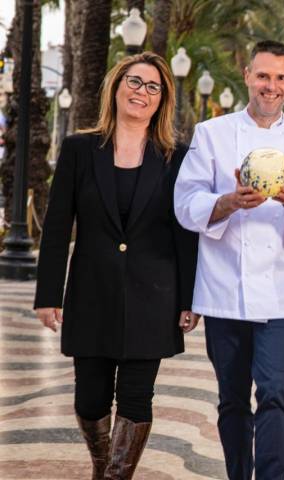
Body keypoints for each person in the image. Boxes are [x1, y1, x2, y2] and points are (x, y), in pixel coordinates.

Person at [34, 52, 199, 480]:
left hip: (154, 296)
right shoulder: (79, 149)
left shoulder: (176, 157)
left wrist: (189, 299)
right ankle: (102, 464)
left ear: (162, 99)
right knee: (90, 400)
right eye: (134, 81)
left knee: (136, 399)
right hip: (92, 293)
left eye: (152, 87)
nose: (141, 92)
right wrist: (48, 294)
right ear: (116, 85)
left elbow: (185, 232)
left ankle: (114, 476)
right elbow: (56, 226)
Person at [174, 40, 284, 480]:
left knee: (276, 389)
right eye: (263, 76)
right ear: (247, 76)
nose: (272, 86)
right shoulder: (212, 134)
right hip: (224, 289)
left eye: (281, 78)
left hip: (282, 293)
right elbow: (185, 204)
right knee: (231, 398)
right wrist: (227, 203)